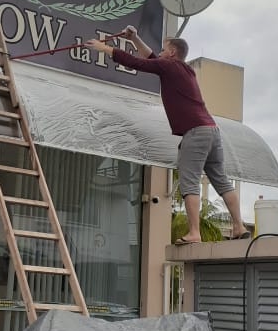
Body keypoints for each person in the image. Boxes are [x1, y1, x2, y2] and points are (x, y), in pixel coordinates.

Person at [86, 27, 249, 245]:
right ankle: (239, 226)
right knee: (222, 181)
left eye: (163, 50)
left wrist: (103, 48)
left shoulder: (169, 66)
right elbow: (151, 58)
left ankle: (194, 233)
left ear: (172, 53)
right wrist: (135, 38)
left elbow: (137, 63)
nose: (160, 53)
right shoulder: (184, 70)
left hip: (195, 132)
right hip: (212, 130)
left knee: (189, 182)